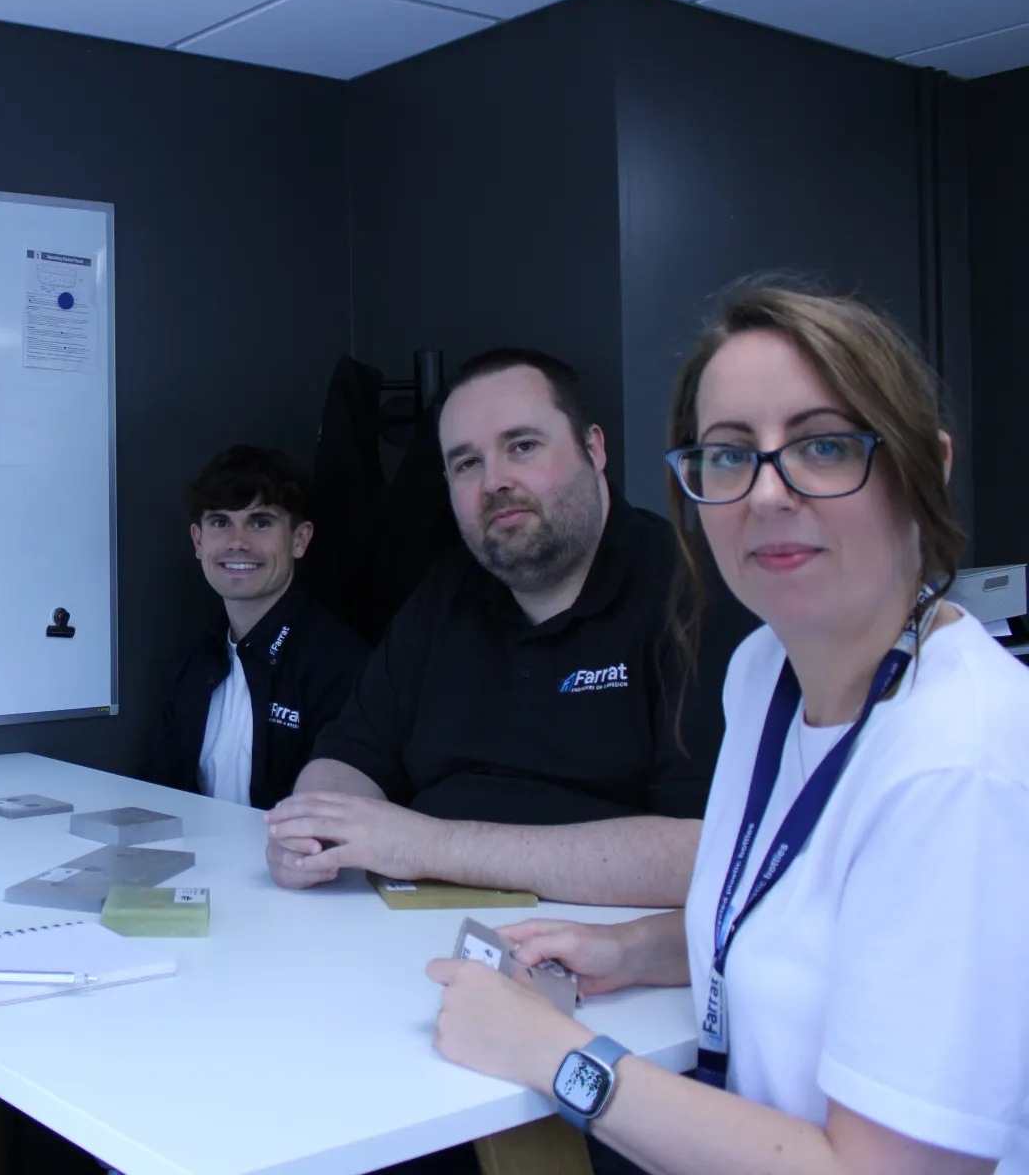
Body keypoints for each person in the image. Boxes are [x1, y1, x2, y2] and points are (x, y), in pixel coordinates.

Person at [428, 286, 1028, 1173]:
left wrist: (555, 1057)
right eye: (728, 455)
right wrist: (630, 950)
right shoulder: (764, 673)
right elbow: (808, 927)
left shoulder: (959, 760)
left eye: (825, 447)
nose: (769, 493)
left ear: (927, 469)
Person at [267, 350, 749, 907]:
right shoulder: (444, 595)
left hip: (601, 955)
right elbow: (350, 754)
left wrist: (432, 846)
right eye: (467, 463)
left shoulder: (692, 596)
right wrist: (311, 827)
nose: (495, 481)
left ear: (593, 449)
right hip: (405, 936)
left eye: (522, 446)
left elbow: (704, 853)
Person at [148, 445, 369, 809]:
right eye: (220, 522)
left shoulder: (342, 668)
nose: (237, 543)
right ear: (198, 541)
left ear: (300, 540)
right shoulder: (192, 667)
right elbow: (157, 795)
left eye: (260, 523)